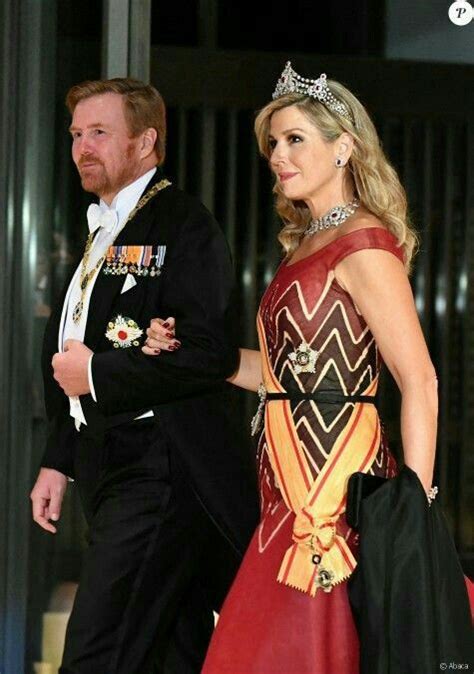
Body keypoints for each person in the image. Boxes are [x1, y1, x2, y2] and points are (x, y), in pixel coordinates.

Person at [142, 61, 448, 673]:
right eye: (274, 143)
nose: (278, 155)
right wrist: (193, 354)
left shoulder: (363, 243)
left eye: (295, 139)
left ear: (344, 148)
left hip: (332, 496)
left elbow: (420, 378)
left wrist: (414, 509)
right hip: (283, 486)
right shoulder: (306, 241)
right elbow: (285, 377)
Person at [29, 77, 258, 674]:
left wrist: (99, 374)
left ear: (145, 141)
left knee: (96, 653)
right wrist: (59, 457)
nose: (82, 146)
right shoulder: (97, 228)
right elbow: (74, 352)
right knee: (168, 651)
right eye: (77, 134)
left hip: (159, 464)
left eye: (99, 132)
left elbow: (206, 351)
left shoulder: (184, 224)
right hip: (106, 461)